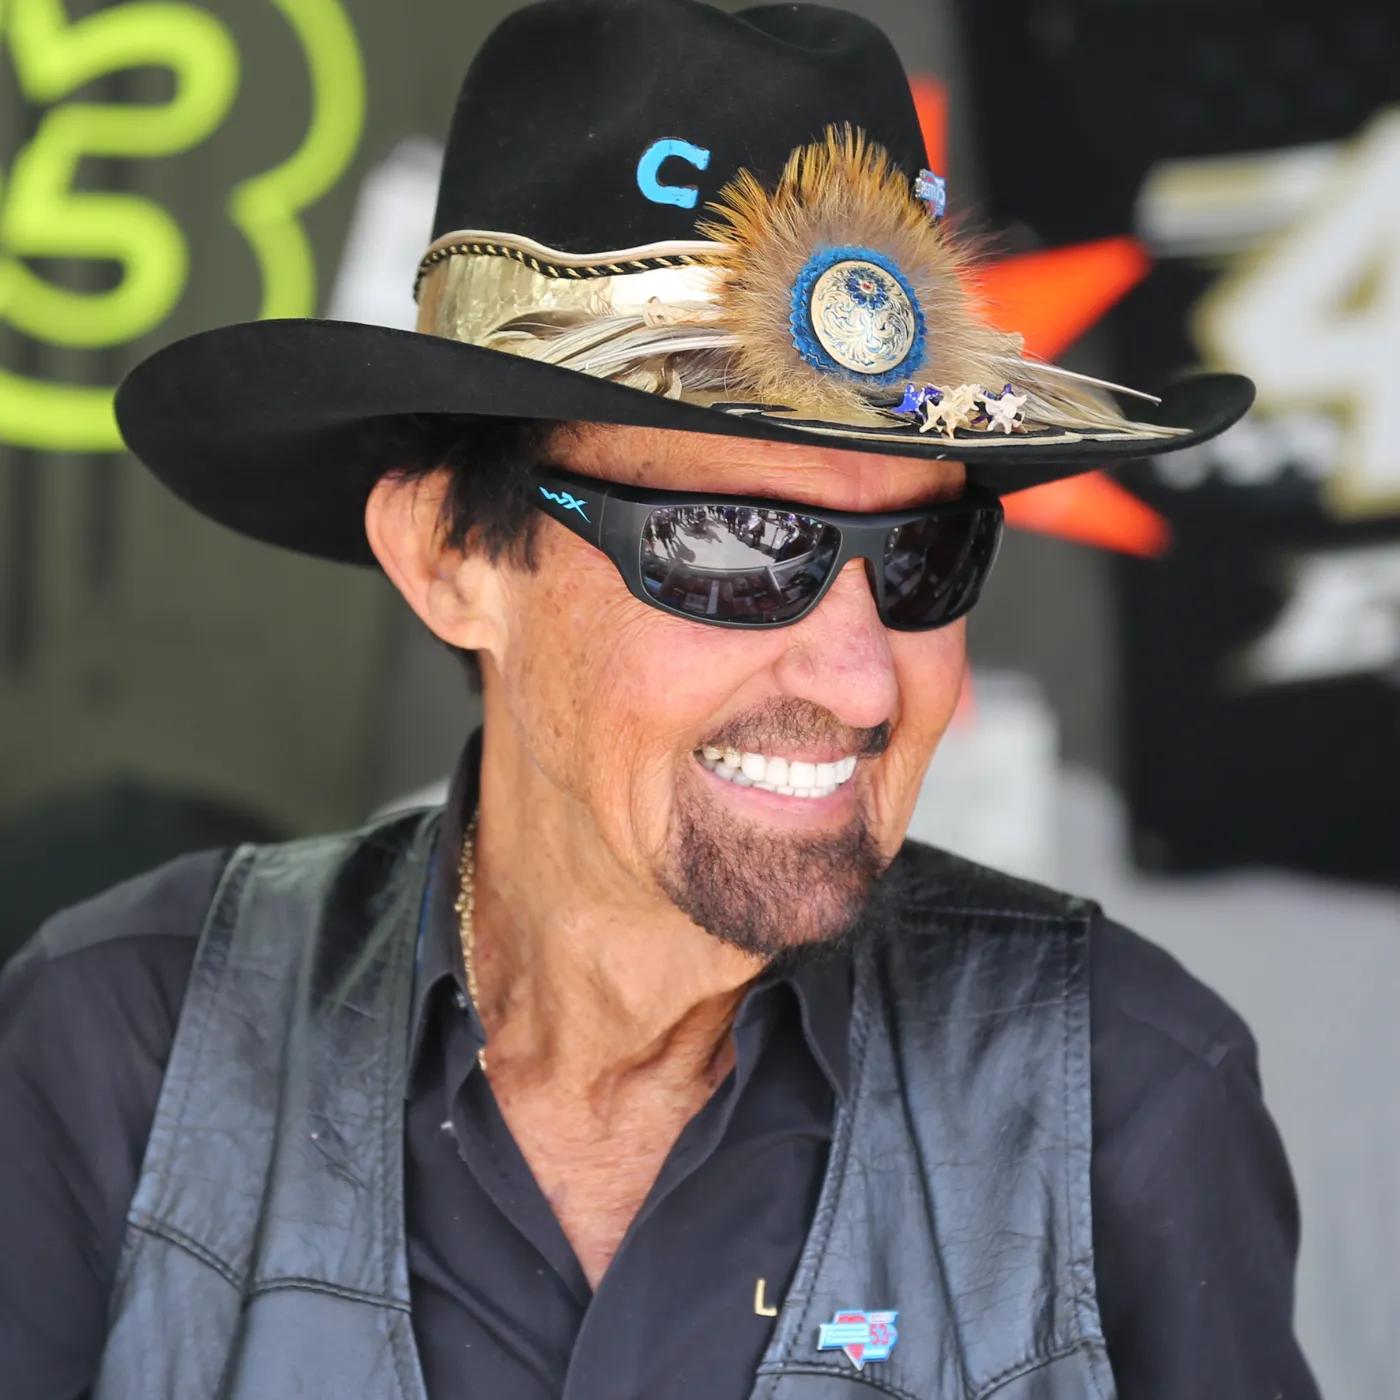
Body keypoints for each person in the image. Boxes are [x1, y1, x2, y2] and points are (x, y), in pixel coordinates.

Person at [0, 2, 1318, 1397]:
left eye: (924, 553)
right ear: (450, 556)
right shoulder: (121, 1050)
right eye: (737, 545)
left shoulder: (1126, 1100)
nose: (861, 677)